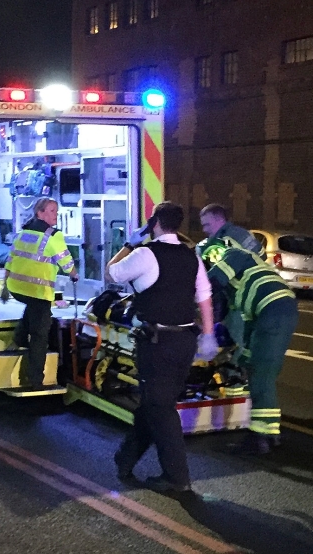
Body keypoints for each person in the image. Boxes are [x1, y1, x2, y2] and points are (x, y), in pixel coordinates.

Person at [108, 201, 219, 493]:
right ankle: (125, 459)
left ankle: (177, 477)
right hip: (185, 341)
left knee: (161, 408)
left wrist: (129, 245)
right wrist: (208, 335)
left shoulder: (145, 253)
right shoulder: (191, 256)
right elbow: (204, 297)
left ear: (154, 222)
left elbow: (112, 273)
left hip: (157, 344)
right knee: (155, 402)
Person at [202, 237, 298, 455]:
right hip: (272, 312)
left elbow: (211, 283)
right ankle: (270, 433)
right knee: (253, 364)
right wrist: (242, 355)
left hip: (272, 310)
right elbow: (243, 319)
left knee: (262, 373)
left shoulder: (236, 255)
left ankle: (260, 437)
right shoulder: (240, 284)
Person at [1, 197, 78, 389]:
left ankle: (18, 338)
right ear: (40, 213)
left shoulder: (22, 233)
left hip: (17, 288)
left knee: (34, 310)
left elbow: (10, 259)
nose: (56, 215)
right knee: (39, 335)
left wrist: (3, 286)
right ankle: (36, 380)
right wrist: (74, 274)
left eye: (56, 211)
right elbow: (65, 260)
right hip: (37, 290)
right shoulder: (53, 236)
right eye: (52, 211)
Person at [198, 203, 263, 257]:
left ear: (220, 219)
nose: (204, 230)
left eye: (207, 225)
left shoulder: (230, 238)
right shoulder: (240, 233)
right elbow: (262, 255)